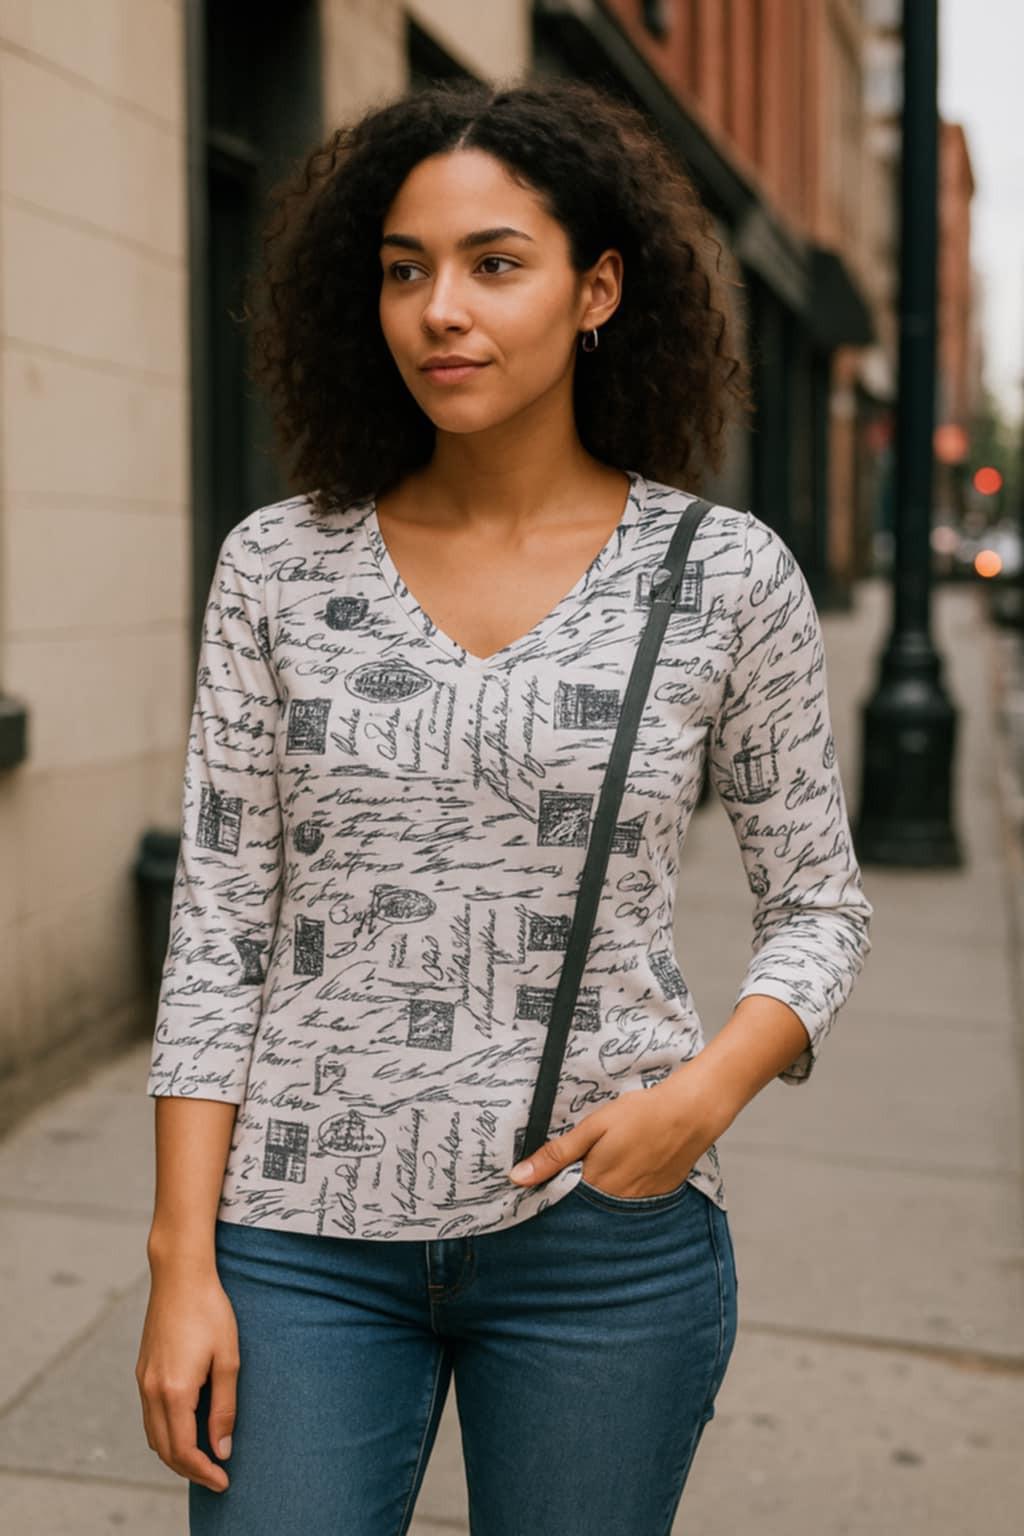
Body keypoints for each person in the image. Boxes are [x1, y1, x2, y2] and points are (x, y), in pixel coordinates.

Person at [135, 75, 873, 1535]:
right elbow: (219, 927)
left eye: (494, 264)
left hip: (600, 1245)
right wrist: (180, 1261)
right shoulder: (277, 565)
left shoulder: (723, 577)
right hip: (298, 1238)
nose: (441, 311)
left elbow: (819, 908)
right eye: (405, 270)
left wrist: (700, 1099)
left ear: (597, 290)